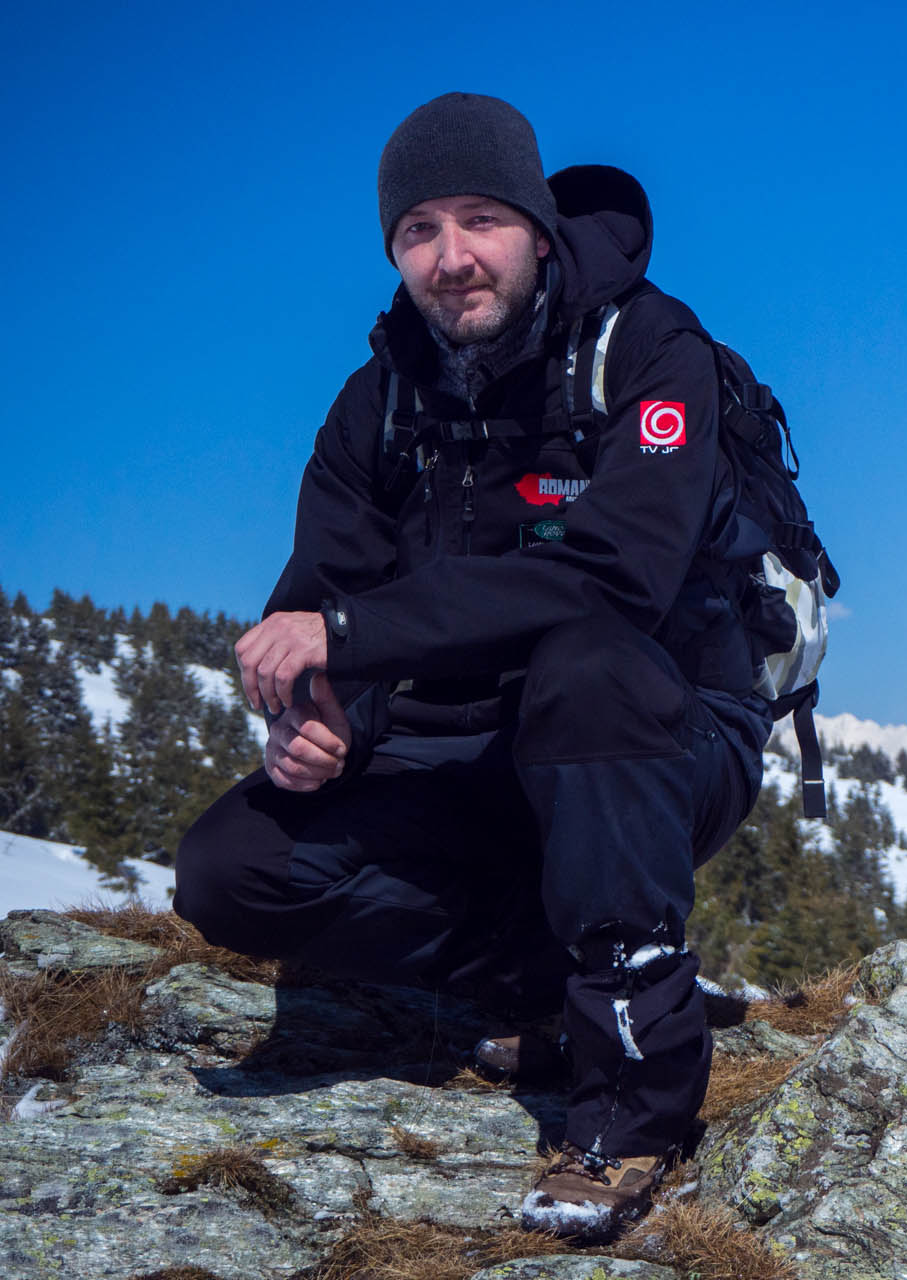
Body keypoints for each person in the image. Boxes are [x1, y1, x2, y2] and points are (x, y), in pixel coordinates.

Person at [174, 92, 771, 1243]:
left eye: (480, 219)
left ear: (539, 227)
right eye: (418, 231)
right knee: (230, 871)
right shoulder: (381, 398)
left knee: (587, 666)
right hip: (468, 750)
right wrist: (318, 712)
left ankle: (630, 1108)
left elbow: (616, 584)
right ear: (394, 252)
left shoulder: (646, 351)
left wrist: (347, 642)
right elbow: (320, 589)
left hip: (657, 732)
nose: (451, 258)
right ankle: (539, 975)